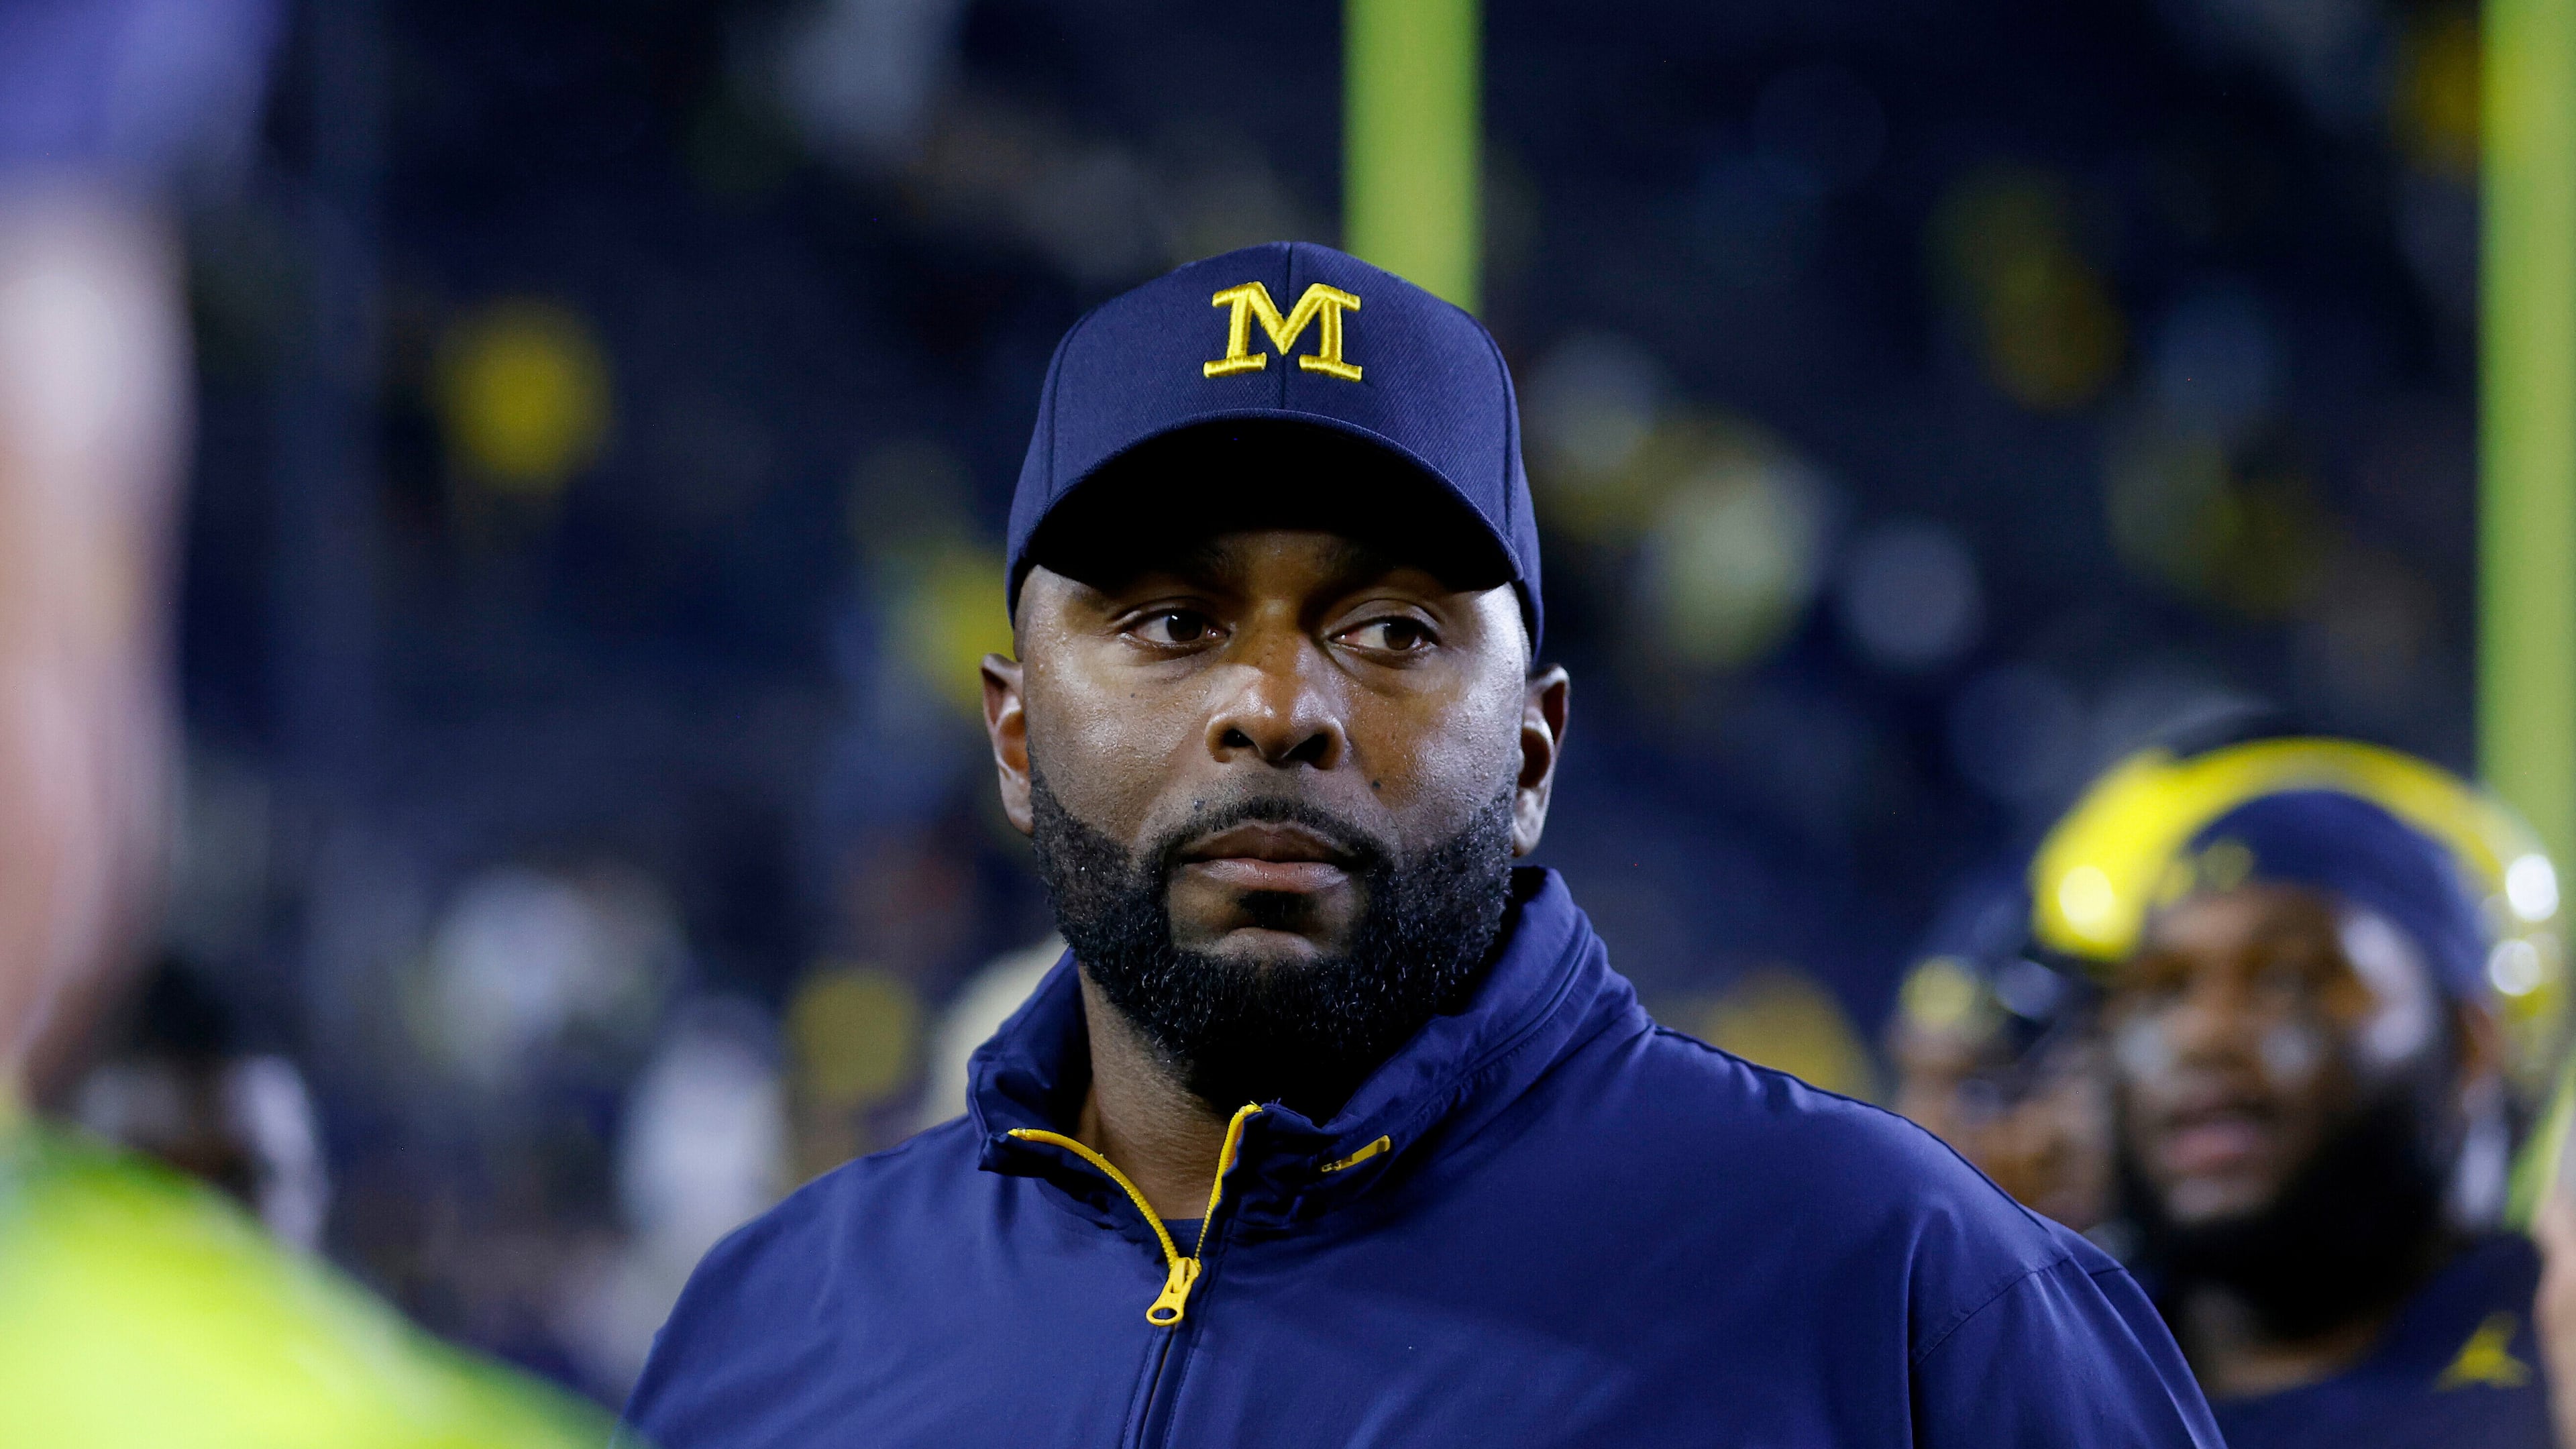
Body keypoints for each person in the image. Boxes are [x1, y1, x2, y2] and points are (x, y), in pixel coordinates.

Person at [623, 241, 2218, 1446]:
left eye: (1387, 629)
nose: (1275, 705)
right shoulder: (777, 1327)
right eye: (1170, 621)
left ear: (1530, 747)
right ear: (1015, 735)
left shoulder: (1901, 1290)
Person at [2068, 778, 2553, 1446]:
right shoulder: (2052, 1364)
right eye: (2164, 990)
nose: (2203, 1036)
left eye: (2287, 979)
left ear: (2470, 1046)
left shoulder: (2556, 1345)